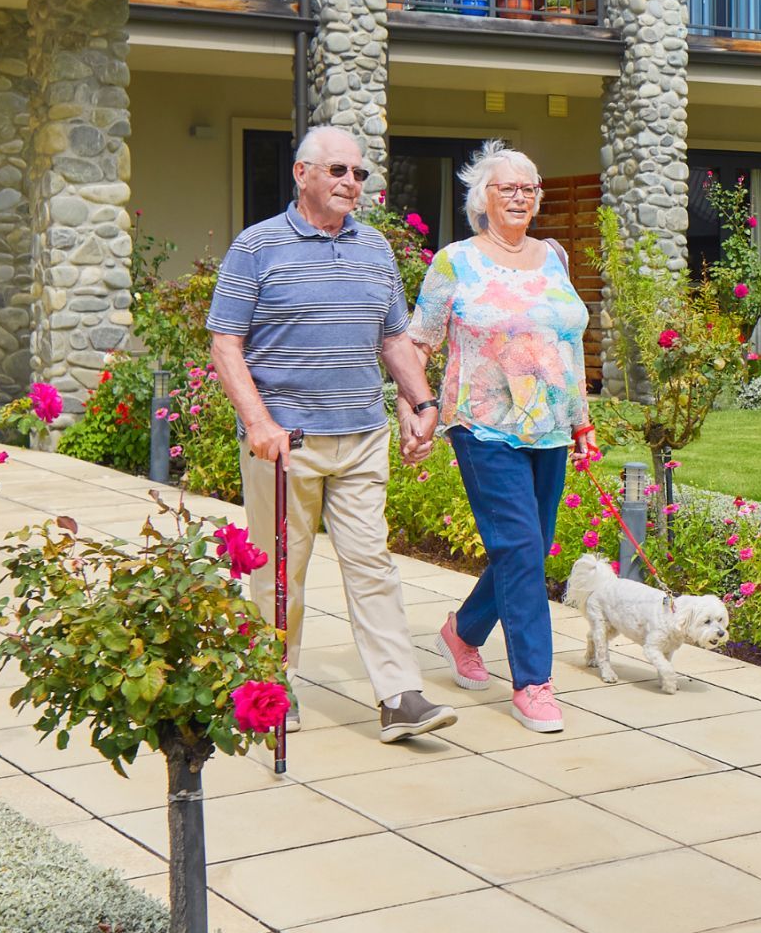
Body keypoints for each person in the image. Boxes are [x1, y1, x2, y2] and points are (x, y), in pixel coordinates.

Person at [207, 126, 456, 745]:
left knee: (372, 564)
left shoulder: (375, 249)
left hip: (362, 435)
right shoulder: (257, 247)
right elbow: (225, 343)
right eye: (339, 171)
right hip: (285, 441)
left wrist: (421, 399)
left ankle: (399, 695)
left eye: (360, 174)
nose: (353, 183)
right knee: (279, 571)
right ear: (302, 174)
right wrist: (259, 423)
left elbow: (394, 338)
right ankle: (272, 680)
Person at [409, 143, 598, 735]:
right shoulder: (455, 262)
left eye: (529, 187)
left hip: (547, 428)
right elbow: (418, 342)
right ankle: (533, 682)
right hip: (483, 424)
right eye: (507, 188)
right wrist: (418, 410)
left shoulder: (554, 258)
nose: (521, 196)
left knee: (531, 546)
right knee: (518, 547)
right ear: (481, 198)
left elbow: (568, 348)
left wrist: (582, 421)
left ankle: (463, 632)